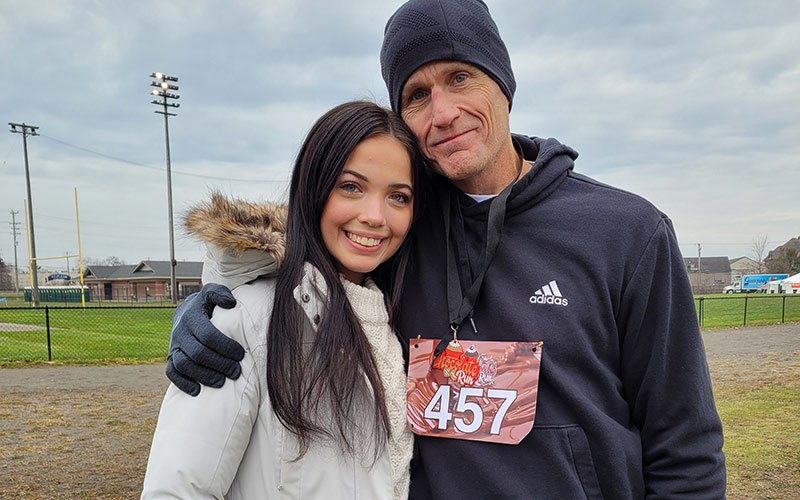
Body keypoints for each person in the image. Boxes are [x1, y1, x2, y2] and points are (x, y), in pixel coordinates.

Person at [165, 0, 727, 498]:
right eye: (417, 95)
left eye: (460, 78)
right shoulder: (397, 228)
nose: (442, 113)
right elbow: (298, 258)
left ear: (502, 84)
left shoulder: (627, 232)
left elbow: (686, 450)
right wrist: (211, 309)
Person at [142, 100, 429, 499]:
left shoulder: (399, 316)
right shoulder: (245, 319)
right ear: (312, 188)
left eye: (398, 196)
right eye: (351, 187)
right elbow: (177, 490)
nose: (375, 216)